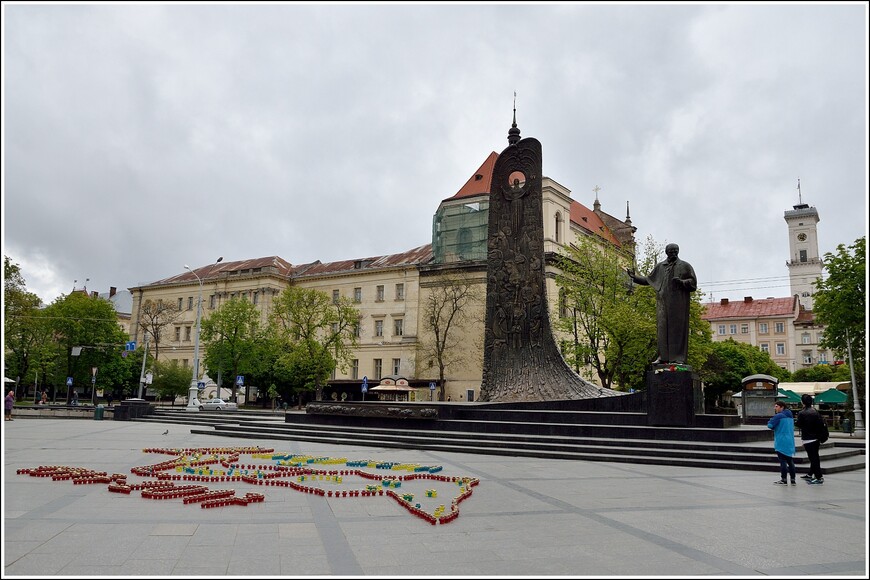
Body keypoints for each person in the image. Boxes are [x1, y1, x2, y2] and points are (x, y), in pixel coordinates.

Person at [627, 243, 697, 364]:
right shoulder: (660, 267)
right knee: (662, 330)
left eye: (675, 251)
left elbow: (693, 283)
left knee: (677, 330)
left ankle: (678, 358)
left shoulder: (685, 266)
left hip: (678, 304)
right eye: (671, 251)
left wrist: (681, 282)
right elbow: (648, 280)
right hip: (663, 303)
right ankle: (662, 357)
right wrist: (635, 277)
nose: (673, 253)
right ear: (666, 252)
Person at [795, 394, 826, 484]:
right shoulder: (815, 411)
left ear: (802, 402)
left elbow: (798, 424)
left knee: (813, 458)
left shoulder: (802, 412)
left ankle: (819, 477)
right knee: (815, 457)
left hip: (808, 438)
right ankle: (810, 474)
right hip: (816, 438)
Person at [767, 401, 796, 485]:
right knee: (790, 461)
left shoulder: (779, 416)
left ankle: (784, 479)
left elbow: (770, 425)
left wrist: (770, 421)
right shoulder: (790, 415)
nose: (775, 408)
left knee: (782, 461)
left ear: (782, 407)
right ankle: (793, 479)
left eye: (776, 406)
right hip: (790, 440)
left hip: (781, 440)